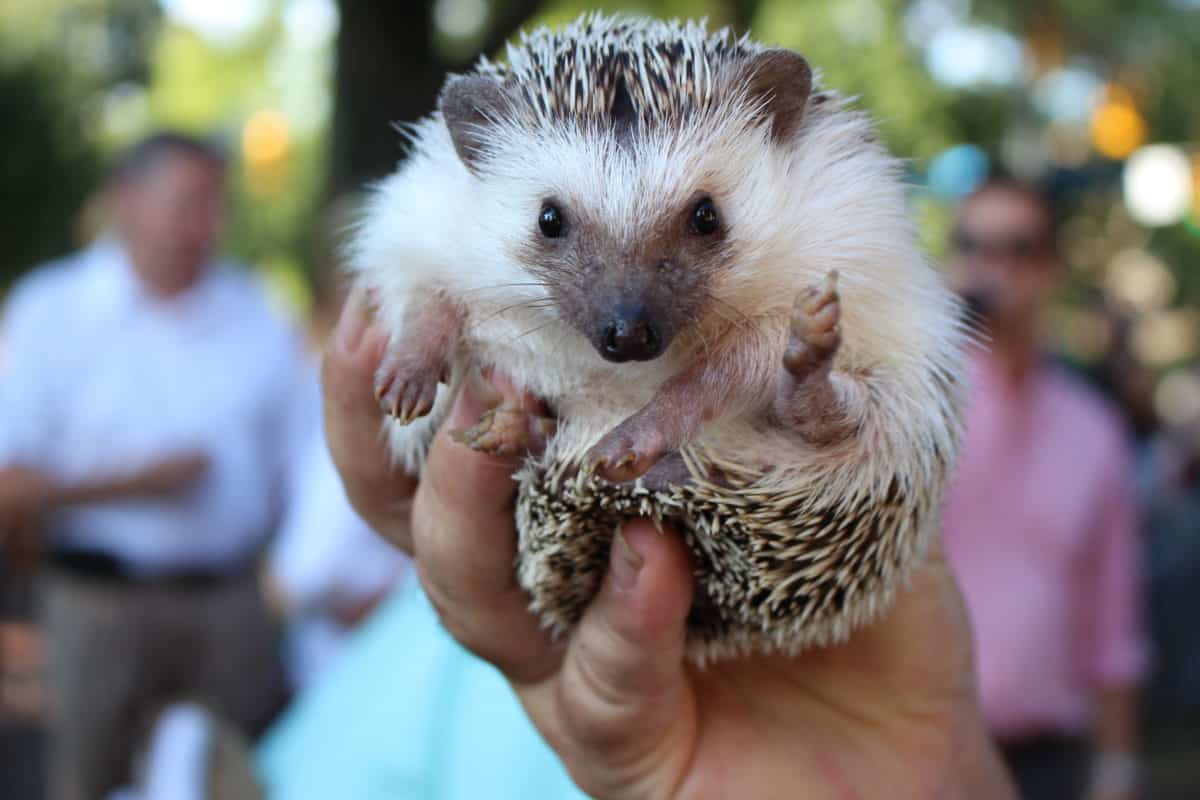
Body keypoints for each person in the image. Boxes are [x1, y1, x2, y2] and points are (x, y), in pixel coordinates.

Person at [303, 288, 1018, 798]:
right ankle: (561, 446)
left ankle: (793, 402)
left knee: (827, 387)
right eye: (556, 225)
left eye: (701, 221)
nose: (628, 308)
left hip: (789, 476)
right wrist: (429, 323)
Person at [0, 132, 314, 800]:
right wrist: (136, 483)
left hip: (230, 605)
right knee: (85, 777)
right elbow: (9, 483)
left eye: (216, 204)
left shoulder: (257, 311)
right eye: (189, 203)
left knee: (243, 776)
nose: (209, 225)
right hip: (95, 603)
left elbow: (304, 465)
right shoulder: (48, 311)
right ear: (127, 203)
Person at [942, 178, 1150, 800]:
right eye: (973, 245)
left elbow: (1111, 623)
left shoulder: (1094, 430)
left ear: (1051, 268)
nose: (993, 267)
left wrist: (1117, 769)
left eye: (1017, 248)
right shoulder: (913, 410)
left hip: (1048, 765)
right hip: (920, 752)